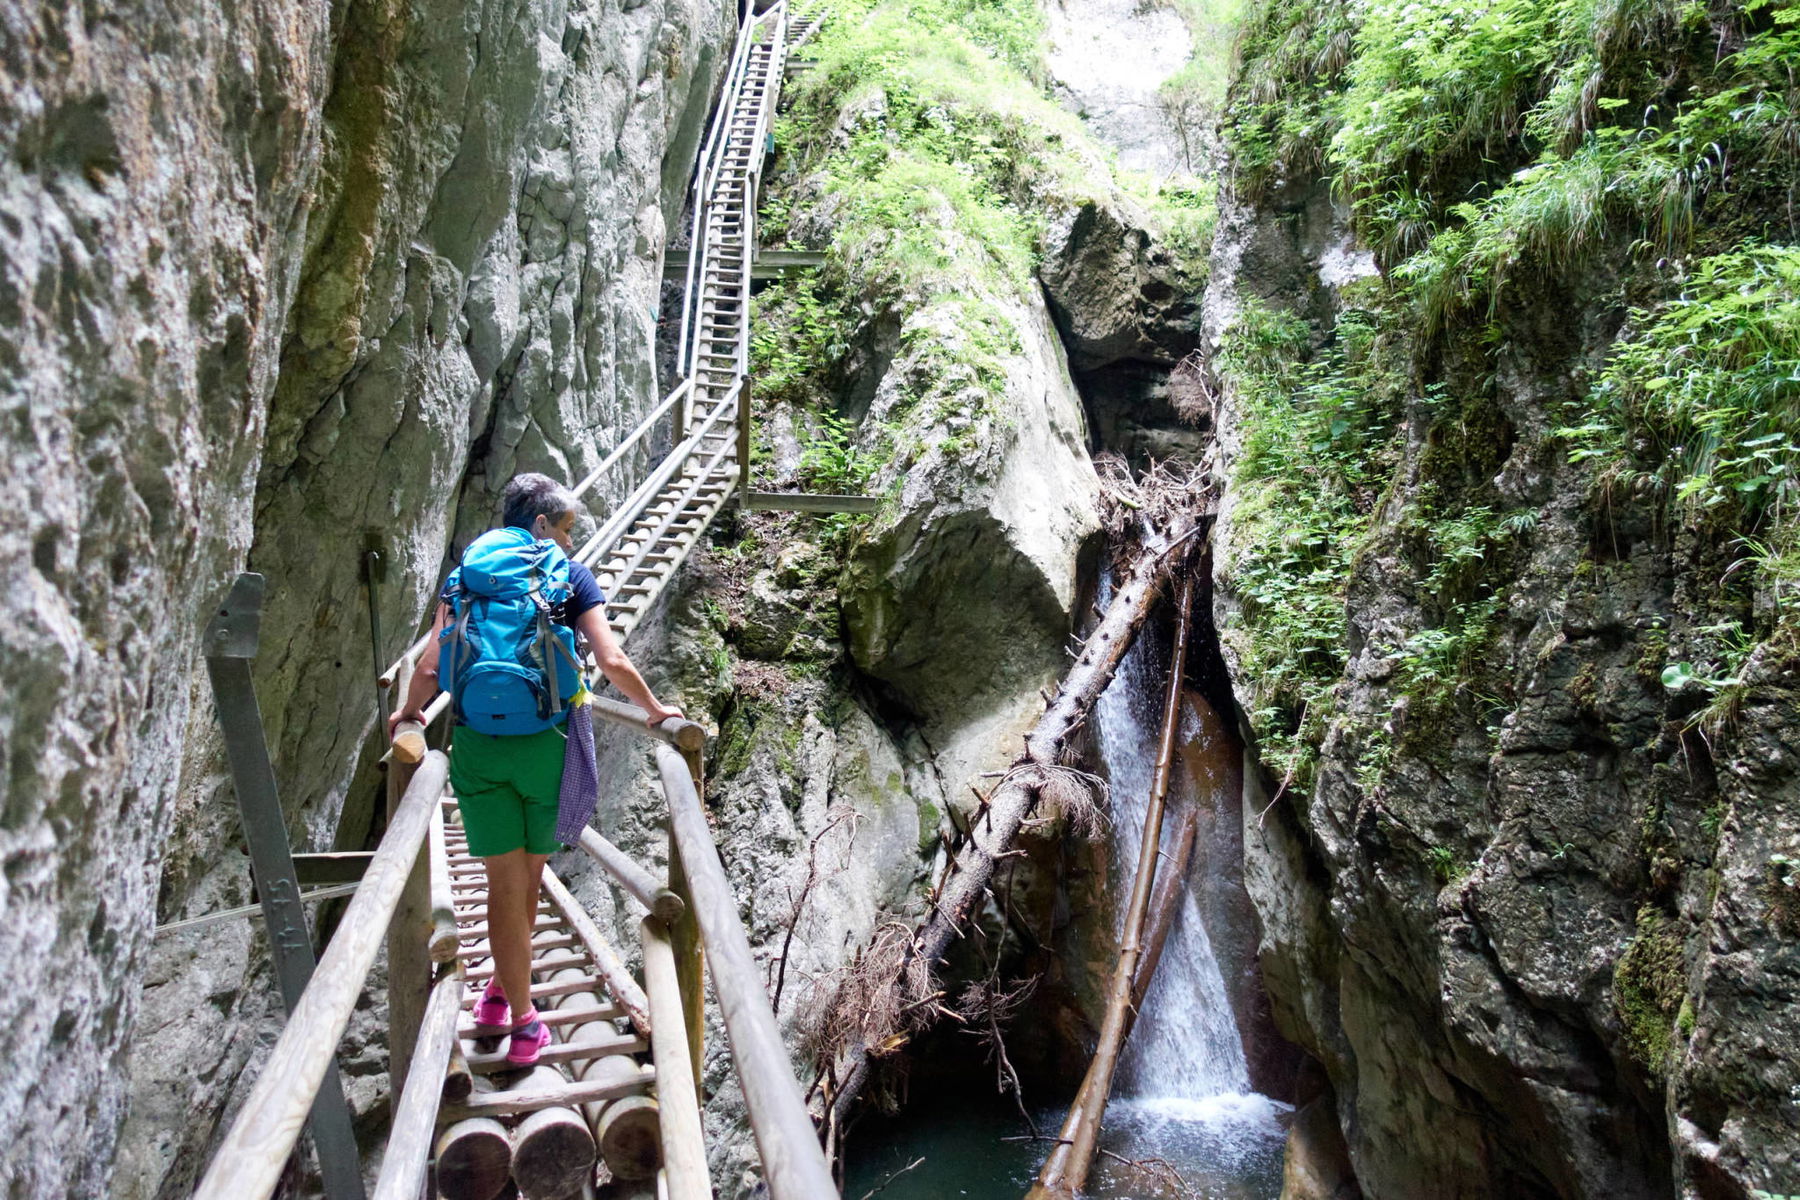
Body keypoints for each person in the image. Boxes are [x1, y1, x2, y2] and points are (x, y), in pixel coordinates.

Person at [388, 473, 682, 1065]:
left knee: (506, 880)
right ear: (542, 524)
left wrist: (409, 712)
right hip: (546, 744)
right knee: (526, 877)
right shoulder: (568, 577)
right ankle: (525, 1023)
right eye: (566, 528)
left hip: (477, 745)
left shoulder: (467, 574)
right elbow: (610, 658)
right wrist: (653, 710)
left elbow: (433, 657)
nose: (571, 542)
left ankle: (499, 996)